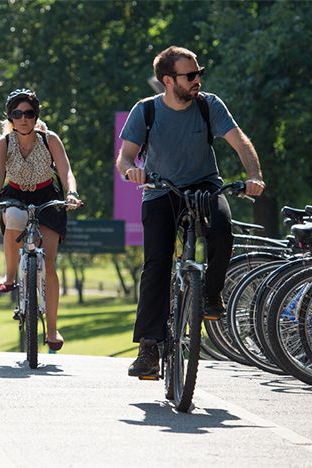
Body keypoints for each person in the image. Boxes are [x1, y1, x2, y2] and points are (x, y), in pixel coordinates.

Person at [116, 46, 265, 378]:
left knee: (223, 229)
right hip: (160, 190)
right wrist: (132, 171)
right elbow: (124, 157)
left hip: (204, 185)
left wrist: (254, 175)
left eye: (199, 72)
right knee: (156, 263)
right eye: (191, 75)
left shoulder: (208, 105)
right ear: (168, 80)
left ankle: (211, 295)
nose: (198, 79)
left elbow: (239, 141)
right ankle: (149, 348)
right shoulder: (146, 111)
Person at [0, 88, 82, 351]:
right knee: (13, 218)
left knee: (48, 265)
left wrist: (71, 193)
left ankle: (51, 329)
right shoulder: (4, 143)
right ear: (10, 118)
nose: (23, 119)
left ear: (35, 115)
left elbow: (66, 171)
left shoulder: (49, 139)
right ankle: (10, 274)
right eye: (17, 114)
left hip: (46, 195)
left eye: (28, 113)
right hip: (15, 193)